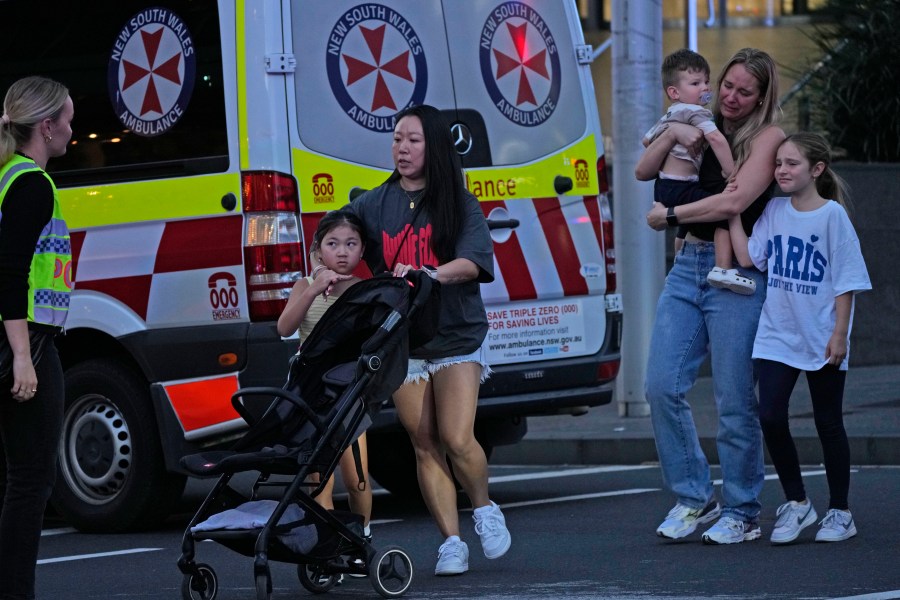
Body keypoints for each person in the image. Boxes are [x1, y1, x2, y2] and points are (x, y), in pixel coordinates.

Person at [346, 104, 509, 576]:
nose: (402, 147)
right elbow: (338, 233)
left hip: (456, 334)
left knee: (457, 437)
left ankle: (482, 509)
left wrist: (429, 274)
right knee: (423, 442)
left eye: (413, 140)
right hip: (404, 342)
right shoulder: (375, 202)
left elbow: (473, 263)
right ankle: (451, 542)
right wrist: (331, 265)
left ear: (433, 145)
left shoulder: (458, 201)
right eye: (397, 138)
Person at [640, 48, 785, 545]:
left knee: (733, 398)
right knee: (660, 384)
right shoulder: (701, 121)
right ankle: (693, 497)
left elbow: (735, 199)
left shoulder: (768, 137)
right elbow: (649, 168)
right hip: (689, 265)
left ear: (763, 97)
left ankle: (743, 510)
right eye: (728, 85)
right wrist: (672, 135)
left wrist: (672, 218)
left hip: (737, 275)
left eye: (745, 91)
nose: (732, 96)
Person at [727, 132, 871, 544]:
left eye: (792, 164)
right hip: (777, 333)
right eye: (779, 164)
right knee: (770, 416)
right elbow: (749, 258)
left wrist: (840, 335)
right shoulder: (773, 210)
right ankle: (797, 501)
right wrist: (733, 212)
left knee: (828, 423)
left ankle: (841, 512)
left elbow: (848, 282)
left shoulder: (832, 217)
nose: (782, 171)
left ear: (817, 170)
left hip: (822, 334)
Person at [0, 76, 74, 599]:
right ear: (45, 127)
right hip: (27, 346)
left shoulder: (6, 177)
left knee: (14, 481)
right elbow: (10, 273)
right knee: (30, 483)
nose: (73, 130)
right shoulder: (32, 184)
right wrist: (24, 357)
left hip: (16, 343)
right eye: (67, 119)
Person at [276, 209, 373, 555]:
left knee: (357, 476)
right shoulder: (305, 284)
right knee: (318, 477)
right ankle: (327, 545)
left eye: (351, 244)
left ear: (362, 250)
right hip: (311, 394)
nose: (343, 251)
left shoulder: (365, 290)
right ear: (318, 249)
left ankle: (362, 538)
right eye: (333, 244)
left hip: (348, 393)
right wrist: (313, 288)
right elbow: (284, 328)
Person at [642, 48, 754, 295]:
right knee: (723, 208)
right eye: (695, 83)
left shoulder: (670, 115)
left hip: (664, 185)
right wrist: (731, 172)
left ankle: (680, 251)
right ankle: (723, 268)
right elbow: (717, 140)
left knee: (694, 216)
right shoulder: (697, 113)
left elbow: (647, 141)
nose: (704, 88)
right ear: (674, 92)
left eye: (706, 81)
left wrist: (672, 138)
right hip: (681, 185)